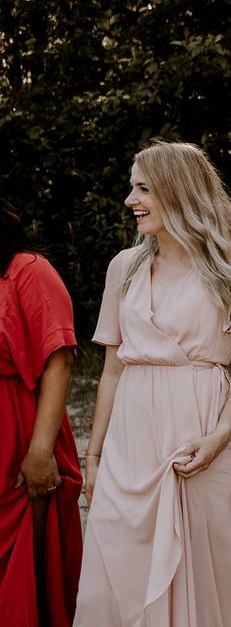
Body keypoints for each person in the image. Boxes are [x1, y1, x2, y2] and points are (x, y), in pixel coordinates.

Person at [73, 141, 231, 626]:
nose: (130, 200)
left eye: (142, 188)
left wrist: (220, 434)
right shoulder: (123, 267)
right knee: (116, 563)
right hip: (130, 434)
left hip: (199, 431)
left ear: (178, 192)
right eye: (131, 188)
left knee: (198, 570)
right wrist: (95, 453)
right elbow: (112, 369)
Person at [0, 199, 83, 626]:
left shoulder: (28, 270)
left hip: (19, 433)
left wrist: (39, 449)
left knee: (24, 573)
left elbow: (59, 359)